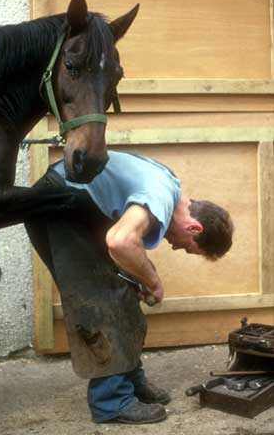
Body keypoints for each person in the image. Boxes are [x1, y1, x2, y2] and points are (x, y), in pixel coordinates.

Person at [25, 150, 233, 425]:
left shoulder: (169, 188)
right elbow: (120, 241)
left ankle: (130, 380)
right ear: (194, 228)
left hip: (75, 206)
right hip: (57, 203)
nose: (175, 246)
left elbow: (123, 242)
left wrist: (143, 277)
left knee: (124, 290)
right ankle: (111, 403)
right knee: (99, 301)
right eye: (188, 248)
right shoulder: (159, 193)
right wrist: (154, 281)